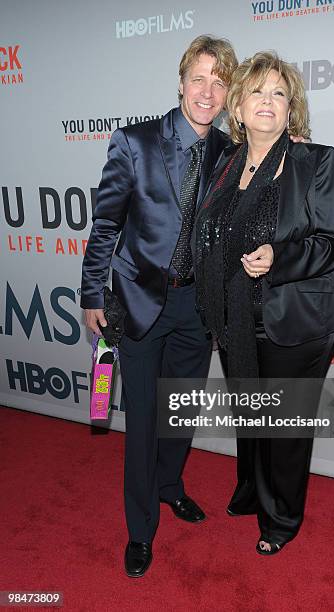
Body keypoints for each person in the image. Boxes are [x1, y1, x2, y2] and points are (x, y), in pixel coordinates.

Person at [81, 35, 238, 577]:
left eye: (220, 83)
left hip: (198, 305)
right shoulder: (134, 141)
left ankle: (171, 486)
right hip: (141, 300)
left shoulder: (229, 153)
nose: (208, 91)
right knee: (143, 420)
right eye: (200, 78)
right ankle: (140, 529)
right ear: (180, 81)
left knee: (181, 411)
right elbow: (105, 224)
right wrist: (90, 293)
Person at [195, 52, 334, 555]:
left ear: (291, 109)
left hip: (297, 322)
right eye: (257, 92)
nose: (268, 101)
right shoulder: (223, 164)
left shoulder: (315, 161)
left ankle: (281, 519)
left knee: (283, 430)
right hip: (237, 317)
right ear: (236, 107)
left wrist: (278, 256)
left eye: (278, 93)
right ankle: (252, 490)